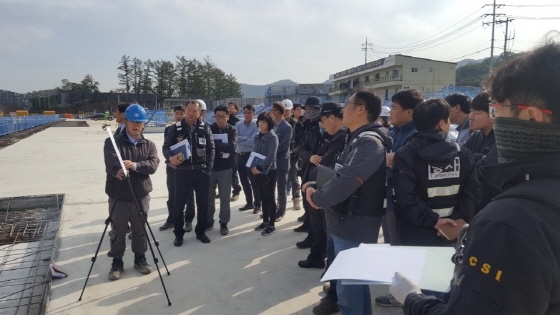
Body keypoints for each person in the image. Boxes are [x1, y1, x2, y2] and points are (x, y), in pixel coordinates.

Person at [389, 39, 560, 315]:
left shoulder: (510, 221)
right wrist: (468, 227)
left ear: (531, 117)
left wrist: (412, 300)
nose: (494, 120)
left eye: (497, 111)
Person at [306, 91, 391, 315]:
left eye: (348, 104)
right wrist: (314, 184)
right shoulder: (355, 138)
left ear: (361, 108)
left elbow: (346, 180)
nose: (344, 109)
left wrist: (317, 197)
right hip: (343, 221)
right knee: (353, 285)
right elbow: (337, 173)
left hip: (354, 225)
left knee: (349, 291)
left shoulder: (369, 143)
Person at [392, 98, 480, 247]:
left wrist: (433, 221)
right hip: (453, 232)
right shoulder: (462, 153)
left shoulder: (405, 154)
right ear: (441, 123)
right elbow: (473, 191)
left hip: (414, 234)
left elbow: (405, 196)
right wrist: (457, 220)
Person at [376, 89, 424, 309]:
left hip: (403, 199)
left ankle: (407, 300)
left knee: (402, 247)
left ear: (410, 112)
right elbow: (385, 159)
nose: (391, 112)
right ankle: (400, 293)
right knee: (392, 245)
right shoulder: (394, 131)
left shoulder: (416, 135)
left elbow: (396, 162)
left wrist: (387, 159)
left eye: (394, 107)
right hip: (388, 195)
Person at [299, 102, 347, 315]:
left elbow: (327, 166)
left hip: (332, 199)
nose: (320, 122)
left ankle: (336, 295)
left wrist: (314, 185)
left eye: (323, 118)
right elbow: (304, 151)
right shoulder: (327, 136)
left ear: (333, 117)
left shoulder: (345, 138)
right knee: (326, 239)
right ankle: (334, 285)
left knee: (336, 246)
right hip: (319, 192)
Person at [104, 104, 160, 280]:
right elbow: (111, 161)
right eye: (133, 121)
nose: (136, 125)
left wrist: (135, 165)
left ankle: (140, 259)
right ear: (126, 121)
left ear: (144, 124)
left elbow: (153, 164)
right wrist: (118, 170)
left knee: (140, 230)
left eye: (140, 122)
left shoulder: (149, 145)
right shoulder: (113, 142)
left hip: (141, 195)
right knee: (118, 230)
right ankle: (117, 262)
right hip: (119, 196)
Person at [163, 100, 214, 246]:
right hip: (182, 172)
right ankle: (178, 234)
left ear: (199, 113)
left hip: (201, 172)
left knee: (203, 204)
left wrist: (208, 168)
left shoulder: (205, 128)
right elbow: (166, 147)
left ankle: (200, 232)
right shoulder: (175, 128)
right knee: (179, 205)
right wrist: (170, 158)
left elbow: (211, 149)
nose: (191, 113)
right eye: (189, 110)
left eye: (195, 111)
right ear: (185, 111)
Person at [463, 91, 499, 212]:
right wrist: (479, 157)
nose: (470, 117)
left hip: (491, 205)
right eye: (471, 111)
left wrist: (472, 158)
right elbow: (458, 160)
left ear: (493, 114)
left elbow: (488, 165)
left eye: (476, 113)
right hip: (472, 203)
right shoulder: (475, 136)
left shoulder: (502, 139)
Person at [207, 105, 237, 235]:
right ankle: (208, 220)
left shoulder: (232, 130)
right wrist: (221, 147)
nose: (220, 120)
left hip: (226, 168)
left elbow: (232, 146)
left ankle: (223, 222)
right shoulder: (209, 128)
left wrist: (214, 146)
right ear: (214, 116)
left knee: (225, 197)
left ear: (228, 117)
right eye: (217, 117)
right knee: (208, 197)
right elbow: (206, 146)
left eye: (223, 117)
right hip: (210, 167)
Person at [295, 96, 323, 233]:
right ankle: (308, 226)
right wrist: (309, 157)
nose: (309, 111)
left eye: (312, 109)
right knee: (306, 201)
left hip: (319, 171)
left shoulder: (322, 126)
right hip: (307, 167)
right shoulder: (307, 125)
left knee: (315, 206)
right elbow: (301, 147)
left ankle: (314, 235)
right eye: (307, 108)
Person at [252, 113, 279, 236]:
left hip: (268, 171)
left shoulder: (272, 137)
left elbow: (271, 156)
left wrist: (259, 167)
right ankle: (265, 221)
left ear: (269, 123)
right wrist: (252, 166)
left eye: (264, 122)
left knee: (269, 197)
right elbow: (254, 152)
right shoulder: (257, 136)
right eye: (260, 121)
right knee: (262, 196)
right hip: (257, 171)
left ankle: (272, 224)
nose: (261, 124)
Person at [160, 105, 186, 231]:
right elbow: (166, 147)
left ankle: (187, 220)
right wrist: (169, 160)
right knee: (172, 194)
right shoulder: (169, 129)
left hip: (186, 167)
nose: (179, 116)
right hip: (172, 166)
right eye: (177, 113)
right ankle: (171, 219)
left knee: (188, 196)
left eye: (182, 113)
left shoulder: (189, 129)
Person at [236, 104, 261, 214]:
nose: (247, 115)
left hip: (251, 155)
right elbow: (234, 138)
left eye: (249, 113)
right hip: (239, 155)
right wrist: (246, 138)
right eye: (245, 112)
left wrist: (242, 141)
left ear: (253, 114)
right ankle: (249, 202)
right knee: (244, 181)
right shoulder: (238, 124)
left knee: (254, 181)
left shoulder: (256, 125)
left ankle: (257, 204)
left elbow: (253, 141)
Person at [269, 101, 292, 222]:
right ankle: (272, 210)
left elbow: (284, 145)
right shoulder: (271, 125)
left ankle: (281, 211)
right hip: (271, 163)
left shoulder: (287, 127)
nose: (271, 113)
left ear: (277, 112)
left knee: (281, 189)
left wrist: (269, 150)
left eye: (272, 110)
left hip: (281, 162)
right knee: (271, 188)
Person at [283, 99, 304, 210]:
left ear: (291, 110)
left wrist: (293, 151)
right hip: (280, 157)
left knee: (294, 179)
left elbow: (301, 142)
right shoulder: (277, 124)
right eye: (283, 110)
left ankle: (296, 199)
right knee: (280, 180)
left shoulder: (298, 124)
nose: (285, 112)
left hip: (293, 156)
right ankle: (280, 201)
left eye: (287, 110)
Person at [227, 102, 242, 201]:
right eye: (229, 106)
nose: (230, 108)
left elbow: (238, 136)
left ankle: (236, 191)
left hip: (233, 148)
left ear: (236, 110)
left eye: (232, 107)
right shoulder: (224, 120)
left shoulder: (238, 121)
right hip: (223, 147)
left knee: (233, 170)